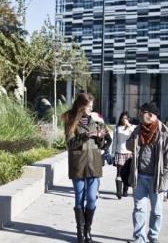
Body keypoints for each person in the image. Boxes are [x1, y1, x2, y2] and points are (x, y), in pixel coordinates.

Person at [126, 102, 168, 243]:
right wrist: (133, 141)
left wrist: (165, 180)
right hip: (140, 176)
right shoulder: (138, 130)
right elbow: (128, 146)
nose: (140, 115)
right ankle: (139, 238)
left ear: (151, 115)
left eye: (142, 112)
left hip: (157, 179)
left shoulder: (164, 133)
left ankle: (153, 237)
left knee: (157, 211)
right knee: (139, 209)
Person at [62, 93, 108, 243]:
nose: (91, 108)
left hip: (94, 164)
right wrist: (86, 135)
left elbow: (103, 144)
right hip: (78, 165)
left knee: (92, 198)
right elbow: (70, 144)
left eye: (92, 106)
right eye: (89, 106)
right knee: (79, 199)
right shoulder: (70, 120)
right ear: (81, 106)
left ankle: (88, 229)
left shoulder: (96, 121)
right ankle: (80, 233)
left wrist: (101, 137)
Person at [112, 111, 135, 199]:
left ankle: (125, 189)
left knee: (127, 173)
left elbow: (135, 135)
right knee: (119, 172)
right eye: (123, 118)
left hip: (129, 153)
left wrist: (128, 125)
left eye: (126, 118)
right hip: (119, 152)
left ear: (128, 119)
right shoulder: (117, 128)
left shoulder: (132, 127)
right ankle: (118, 192)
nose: (124, 120)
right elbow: (114, 141)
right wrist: (113, 153)